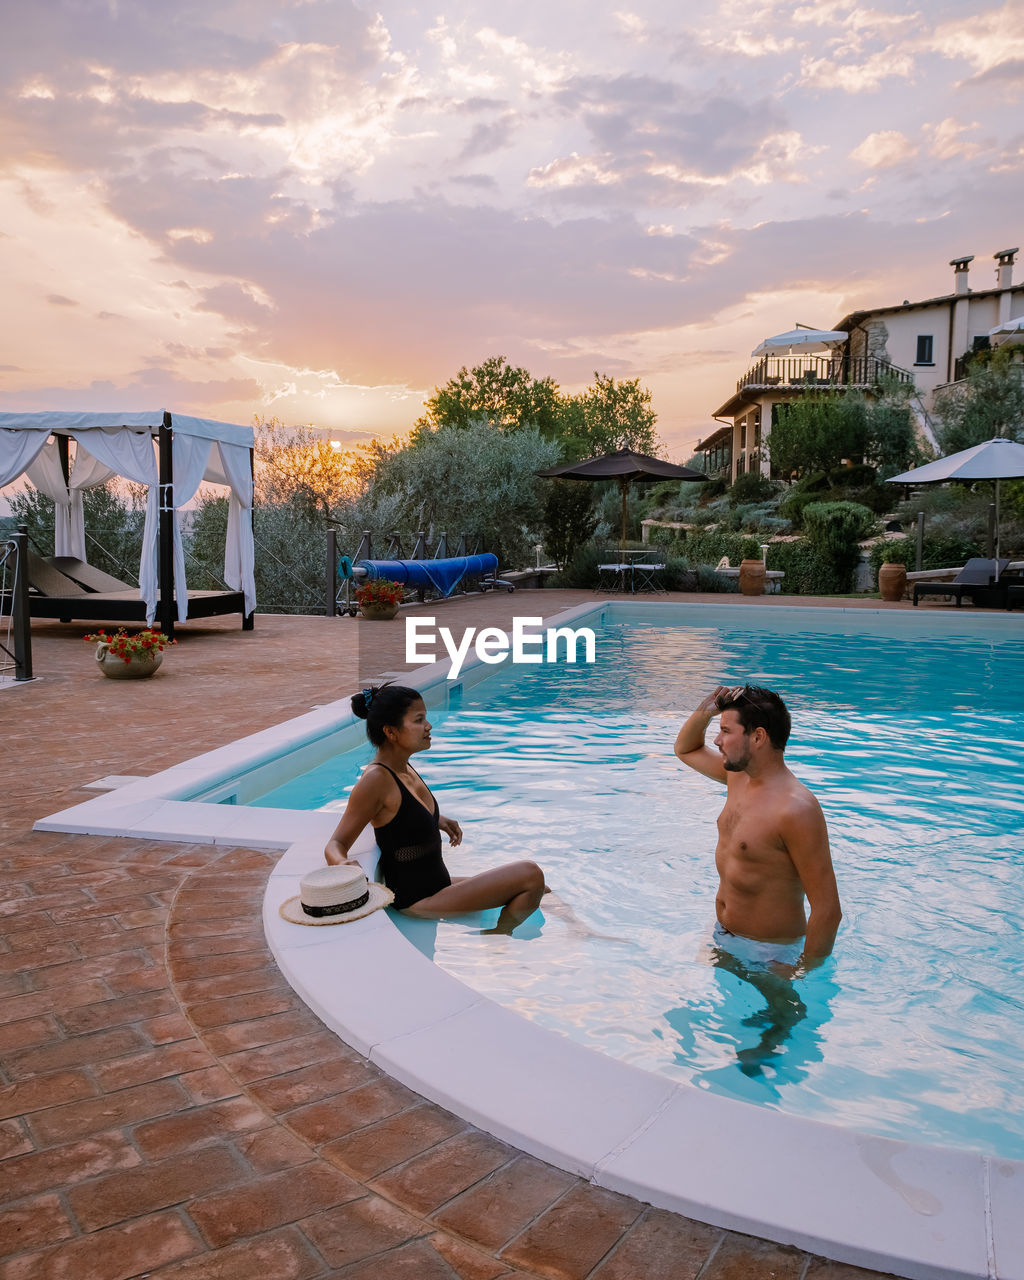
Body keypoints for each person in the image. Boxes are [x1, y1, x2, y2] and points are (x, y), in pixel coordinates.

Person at [325, 684, 546, 934]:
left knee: (543, 890)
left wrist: (436, 818)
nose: (429, 726)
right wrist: (343, 864)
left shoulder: (403, 767)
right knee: (531, 875)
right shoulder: (376, 780)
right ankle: (499, 937)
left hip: (438, 885)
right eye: (419, 720)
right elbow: (336, 843)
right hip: (418, 900)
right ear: (390, 732)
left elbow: (400, 816)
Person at [674, 684, 842, 975]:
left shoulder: (796, 810)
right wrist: (707, 709)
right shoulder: (738, 777)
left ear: (758, 736)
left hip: (770, 953)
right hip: (724, 933)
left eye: (726, 731)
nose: (716, 740)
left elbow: (828, 910)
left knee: (776, 1022)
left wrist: (802, 971)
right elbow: (685, 749)